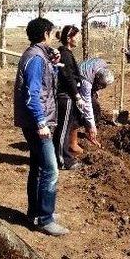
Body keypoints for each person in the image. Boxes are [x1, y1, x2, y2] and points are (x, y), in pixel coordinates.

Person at [13, 17, 69, 237]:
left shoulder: (38, 56)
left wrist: (53, 66)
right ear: (45, 33)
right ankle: (45, 218)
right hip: (38, 122)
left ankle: (35, 212)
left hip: (39, 120)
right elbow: (31, 94)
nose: (53, 35)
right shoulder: (35, 58)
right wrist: (40, 122)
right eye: (52, 32)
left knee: (37, 168)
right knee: (51, 169)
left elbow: (45, 84)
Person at [53, 25, 85, 170]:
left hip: (67, 95)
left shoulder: (67, 53)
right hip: (65, 96)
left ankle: (63, 156)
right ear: (68, 38)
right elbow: (68, 77)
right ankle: (62, 160)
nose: (77, 39)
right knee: (63, 129)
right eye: (76, 36)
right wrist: (77, 96)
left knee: (65, 128)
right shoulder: (65, 54)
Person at [75, 58, 115, 148]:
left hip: (87, 77)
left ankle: (90, 127)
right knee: (87, 107)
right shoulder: (86, 83)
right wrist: (92, 125)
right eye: (101, 85)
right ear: (97, 78)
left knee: (95, 107)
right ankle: (89, 130)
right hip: (76, 82)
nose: (102, 87)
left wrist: (96, 91)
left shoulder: (103, 64)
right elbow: (87, 104)